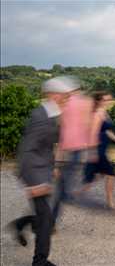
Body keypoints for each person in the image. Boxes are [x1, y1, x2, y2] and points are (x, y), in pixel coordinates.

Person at [10, 76, 74, 266]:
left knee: (44, 217)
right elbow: (27, 149)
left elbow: (46, 145)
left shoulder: (53, 113)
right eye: (66, 95)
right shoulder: (40, 115)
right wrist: (33, 181)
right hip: (34, 172)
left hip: (43, 169)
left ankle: (21, 224)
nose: (68, 98)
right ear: (54, 95)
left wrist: (53, 166)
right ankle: (40, 262)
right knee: (46, 219)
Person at [76, 91, 115, 209]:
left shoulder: (103, 112)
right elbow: (93, 133)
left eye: (109, 99)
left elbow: (107, 131)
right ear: (98, 101)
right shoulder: (96, 114)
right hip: (97, 147)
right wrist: (93, 151)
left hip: (102, 147)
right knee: (111, 174)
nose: (108, 102)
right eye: (105, 100)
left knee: (93, 176)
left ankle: (76, 194)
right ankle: (110, 202)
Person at [52, 78, 93, 222]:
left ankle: (52, 217)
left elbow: (61, 130)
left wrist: (57, 160)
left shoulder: (63, 105)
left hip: (66, 149)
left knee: (62, 185)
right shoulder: (85, 102)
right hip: (76, 149)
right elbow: (88, 126)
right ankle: (64, 199)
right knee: (64, 186)